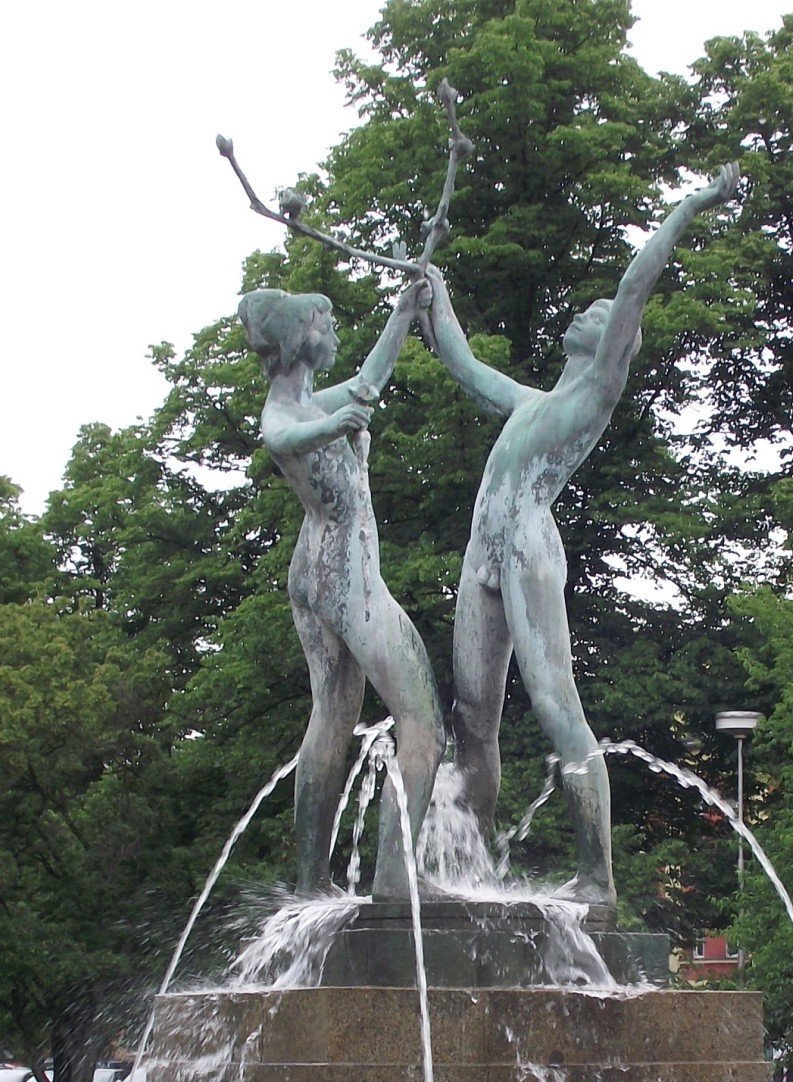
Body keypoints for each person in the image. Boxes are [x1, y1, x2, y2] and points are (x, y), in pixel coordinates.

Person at [416, 163, 742, 903]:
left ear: (613, 346)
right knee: (471, 721)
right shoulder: (530, 401)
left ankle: (598, 879)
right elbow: (461, 363)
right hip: (481, 557)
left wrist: (691, 202)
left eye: (602, 315)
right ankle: (465, 870)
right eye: (592, 309)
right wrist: (431, 296)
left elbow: (633, 287)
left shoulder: (597, 391)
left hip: (528, 547)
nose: (593, 311)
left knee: (558, 705)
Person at [237, 278, 443, 896]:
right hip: (345, 574)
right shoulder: (289, 415)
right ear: (300, 340)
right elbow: (280, 439)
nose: (333, 335)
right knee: (424, 719)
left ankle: (308, 883)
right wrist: (334, 428)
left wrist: (404, 315)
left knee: (330, 718)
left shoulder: (314, 400)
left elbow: (365, 385)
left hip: (314, 573)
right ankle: (396, 880)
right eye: (324, 328)